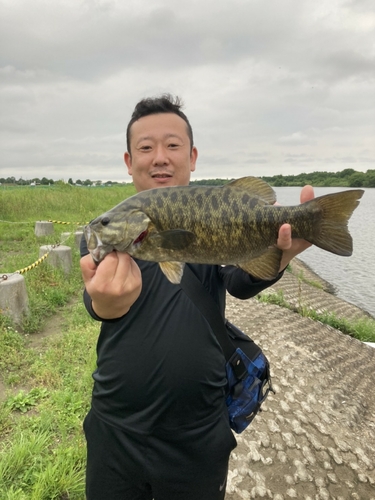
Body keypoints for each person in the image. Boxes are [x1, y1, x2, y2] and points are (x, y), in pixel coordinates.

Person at [80, 94, 314, 500]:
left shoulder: (205, 211)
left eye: (172, 146)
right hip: (115, 428)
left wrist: (278, 257)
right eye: (146, 147)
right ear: (128, 160)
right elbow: (95, 301)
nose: (159, 157)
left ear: (192, 157)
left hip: (199, 433)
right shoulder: (108, 234)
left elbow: (241, 283)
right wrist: (105, 303)